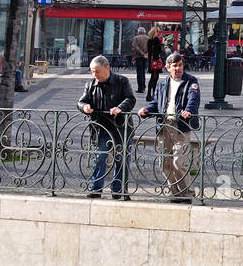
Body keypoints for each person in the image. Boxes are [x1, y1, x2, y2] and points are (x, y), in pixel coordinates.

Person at [137, 52, 201, 202]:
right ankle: (175, 193)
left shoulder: (191, 81)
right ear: (167, 68)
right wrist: (146, 110)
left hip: (181, 125)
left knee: (179, 162)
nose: (178, 69)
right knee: (164, 163)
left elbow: (193, 99)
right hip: (163, 126)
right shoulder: (162, 83)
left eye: (180, 65)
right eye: (174, 66)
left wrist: (189, 111)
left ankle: (186, 193)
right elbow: (156, 103)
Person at [79, 55, 136, 199]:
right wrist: (84, 107)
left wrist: (120, 108)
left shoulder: (122, 81)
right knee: (100, 158)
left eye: (97, 71)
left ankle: (119, 191)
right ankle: (95, 189)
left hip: (121, 127)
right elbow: (81, 101)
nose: (94, 74)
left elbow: (130, 98)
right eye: (92, 71)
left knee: (121, 160)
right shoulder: (90, 84)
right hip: (101, 128)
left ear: (107, 68)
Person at [131, 26, 150, 93]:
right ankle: (143, 86)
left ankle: (140, 88)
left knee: (139, 72)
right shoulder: (148, 38)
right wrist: (146, 54)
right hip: (145, 57)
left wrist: (142, 54)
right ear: (144, 32)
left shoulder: (136, 38)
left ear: (138, 32)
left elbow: (136, 47)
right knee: (143, 72)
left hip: (139, 57)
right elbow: (150, 47)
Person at [146, 27, 164, 94]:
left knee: (152, 77)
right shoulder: (157, 39)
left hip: (151, 60)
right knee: (155, 78)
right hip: (156, 61)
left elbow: (149, 51)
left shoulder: (149, 40)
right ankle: (153, 93)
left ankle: (149, 93)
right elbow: (159, 50)